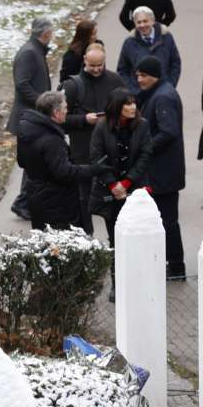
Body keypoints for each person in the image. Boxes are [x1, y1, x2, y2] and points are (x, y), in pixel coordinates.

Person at [88, 88, 153, 300]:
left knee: (138, 238)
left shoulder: (142, 126)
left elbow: (145, 155)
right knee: (116, 240)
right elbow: (96, 157)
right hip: (111, 193)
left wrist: (126, 183)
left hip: (134, 191)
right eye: (127, 103)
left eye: (134, 103)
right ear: (117, 107)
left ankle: (139, 282)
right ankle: (118, 284)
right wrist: (113, 184)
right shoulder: (102, 127)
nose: (133, 107)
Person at [17, 91, 108, 231]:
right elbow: (64, 172)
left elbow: (22, 161)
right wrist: (93, 169)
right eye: (65, 108)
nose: (67, 111)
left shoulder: (29, 131)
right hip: (56, 203)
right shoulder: (52, 140)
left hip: (37, 196)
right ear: (55, 113)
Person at [61, 44, 124, 233]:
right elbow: (59, 119)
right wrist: (83, 119)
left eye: (100, 65)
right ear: (84, 61)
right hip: (83, 152)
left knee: (112, 200)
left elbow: (129, 109)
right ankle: (86, 238)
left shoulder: (115, 80)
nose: (96, 69)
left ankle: (115, 240)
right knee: (84, 200)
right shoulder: (72, 86)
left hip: (111, 151)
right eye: (92, 65)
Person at [136, 55, 186, 280]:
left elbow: (168, 131)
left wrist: (144, 147)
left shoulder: (163, 97)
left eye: (143, 75)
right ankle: (172, 263)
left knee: (167, 220)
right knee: (164, 219)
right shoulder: (157, 93)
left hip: (164, 171)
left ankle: (176, 267)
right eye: (138, 74)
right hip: (163, 170)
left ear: (155, 76)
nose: (139, 79)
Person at [8, 17, 55, 221]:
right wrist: (43, 102)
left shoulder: (35, 50)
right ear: (45, 34)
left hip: (32, 116)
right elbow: (22, 84)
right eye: (50, 33)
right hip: (29, 118)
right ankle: (22, 202)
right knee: (33, 161)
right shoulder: (29, 52)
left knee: (34, 161)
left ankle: (25, 202)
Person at [116, 6, 182, 93]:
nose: (142, 25)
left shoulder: (166, 38)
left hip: (163, 92)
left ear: (153, 21)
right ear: (135, 24)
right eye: (139, 22)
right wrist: (133, 91)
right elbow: (122, 71)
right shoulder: (129, 43)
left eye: (145, 21)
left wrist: (170, 86)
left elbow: (175, 64)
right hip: (139, 95)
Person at [59, 19, 100, 84]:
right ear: (85, 35)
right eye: (93, 34)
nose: (96, 37)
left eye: (96, 33)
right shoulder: (72, 56)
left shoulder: (98, 46)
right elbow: (65, 78)